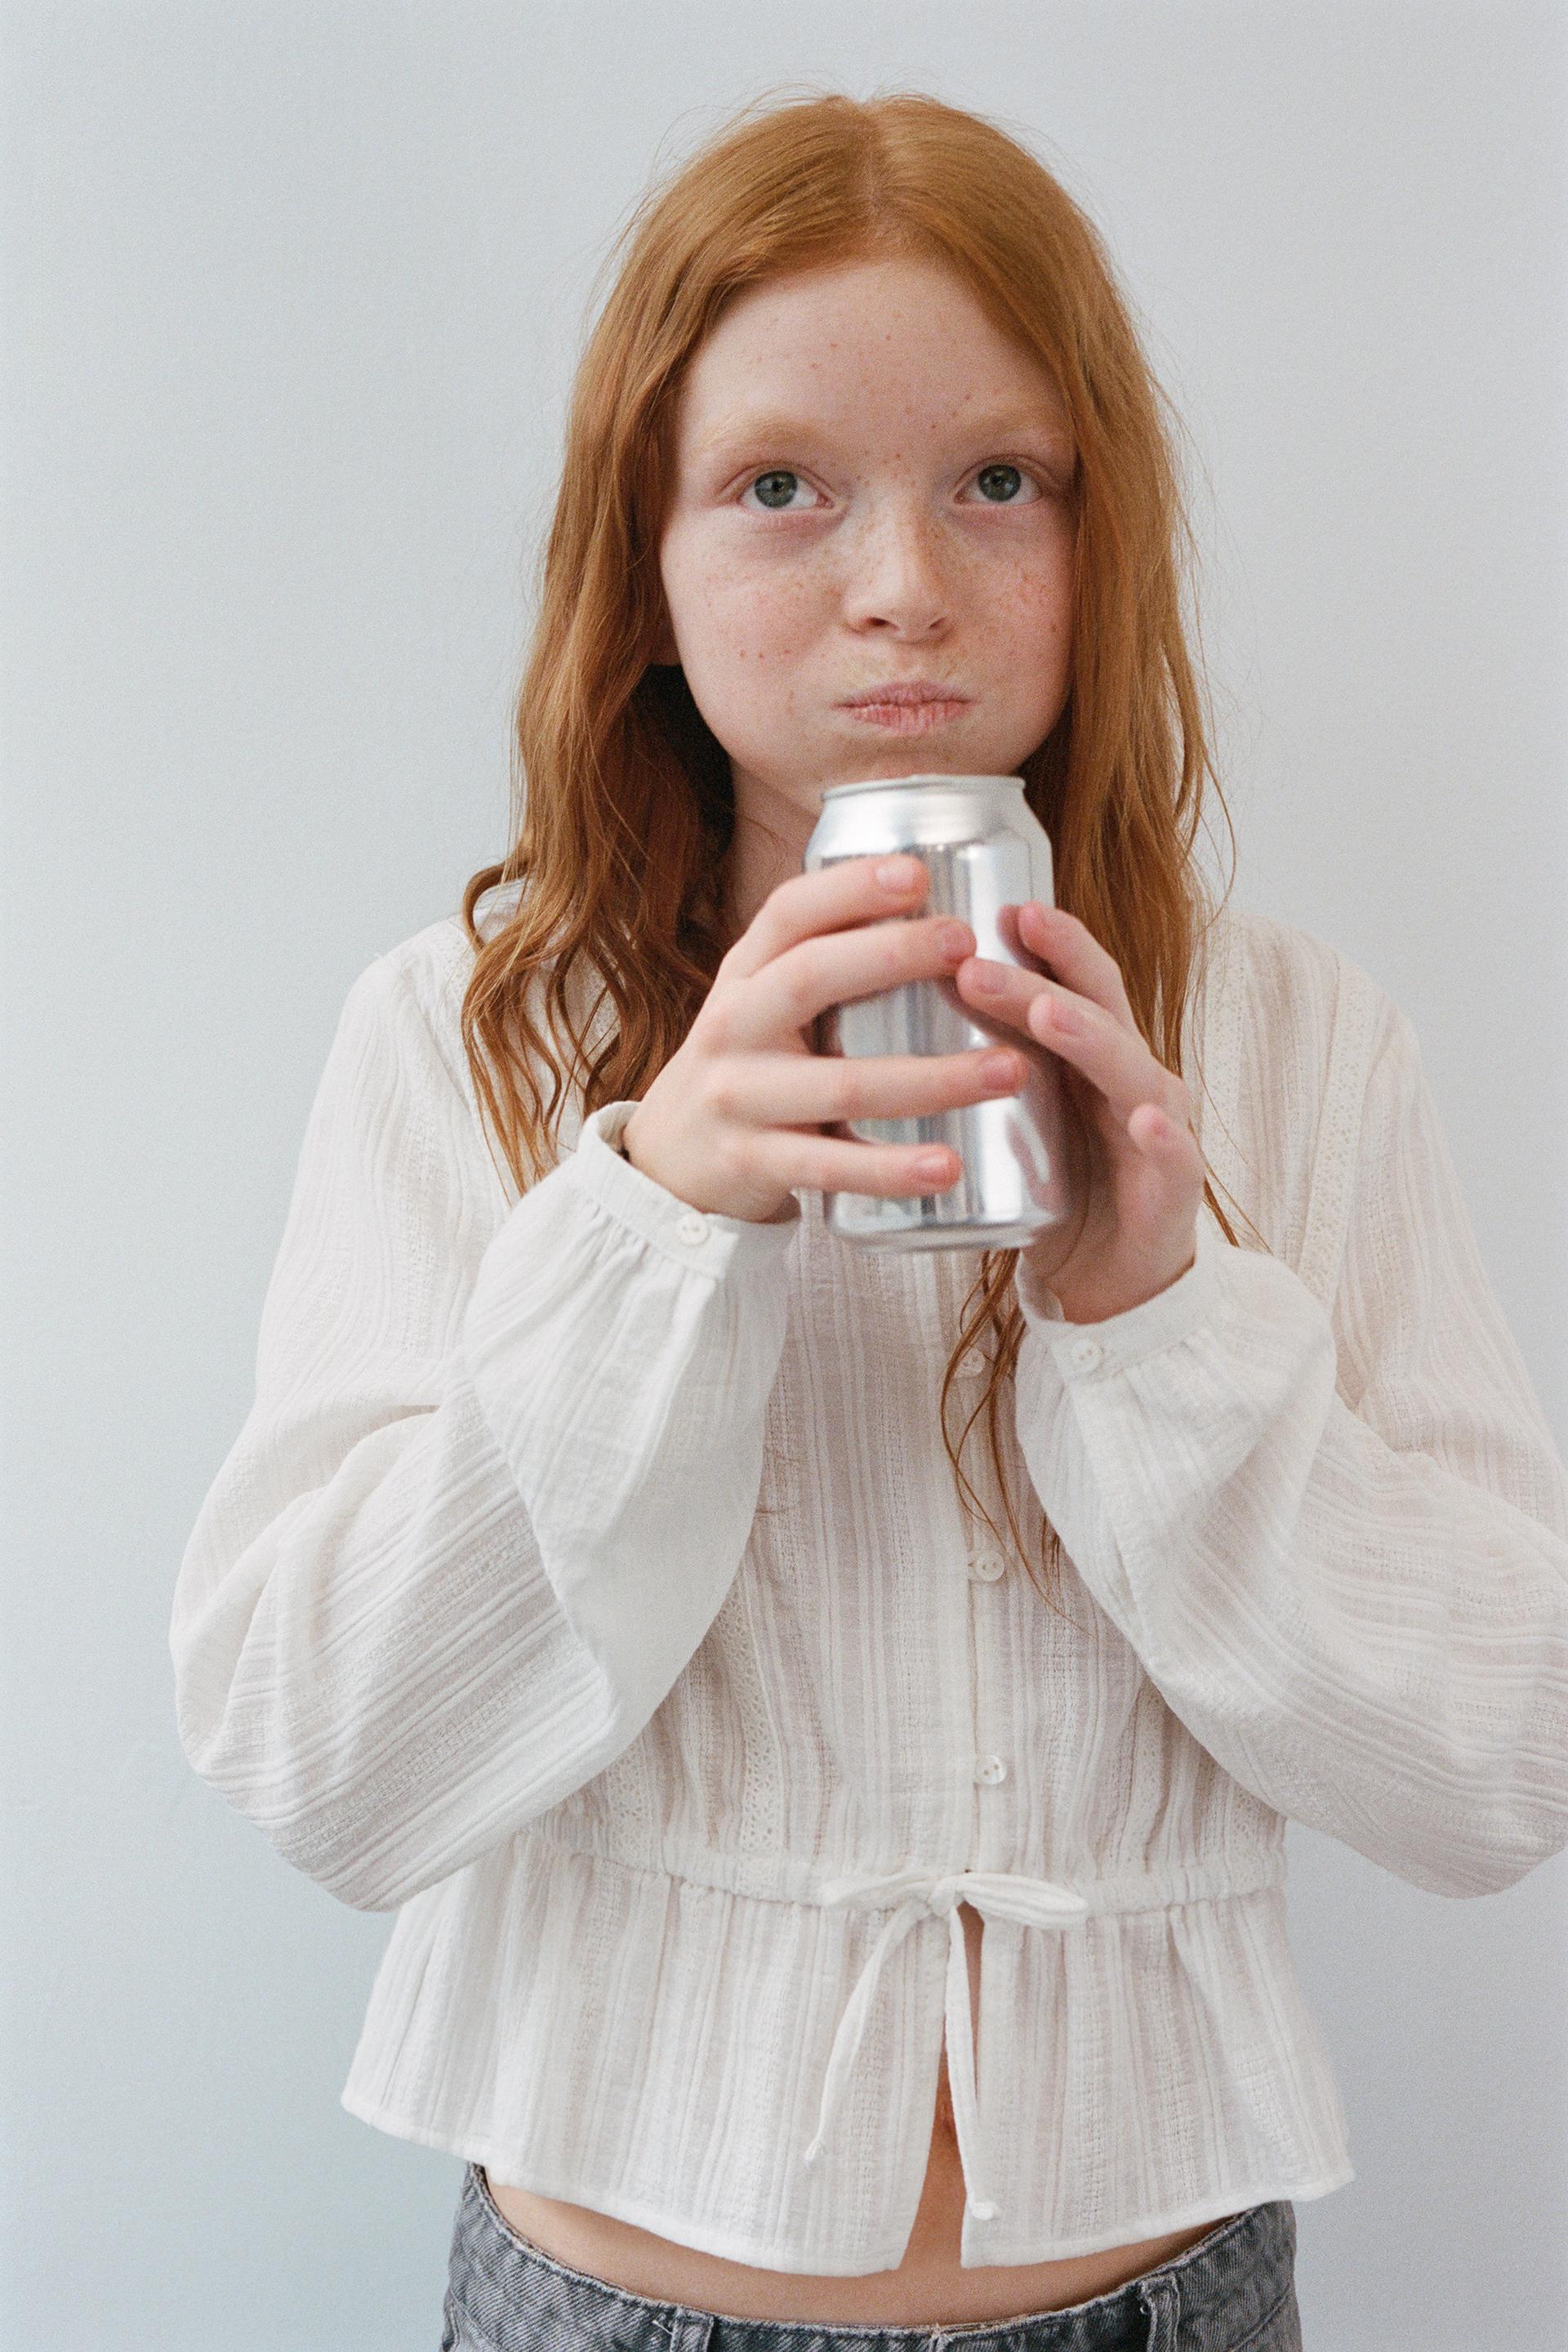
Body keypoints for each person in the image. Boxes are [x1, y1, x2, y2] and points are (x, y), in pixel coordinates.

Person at [170, 85, 1568, 2352]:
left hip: (1170, 2298)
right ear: (645, 552)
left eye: (999, 480)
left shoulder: (1299, 1048)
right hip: (612, 2296)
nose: (904, 581)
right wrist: (652, 1217)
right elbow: (328, 1767)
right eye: (781, 485)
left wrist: (1161, 1317)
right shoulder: (475, 1042)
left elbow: (1501, 1764)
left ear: (1102, 534)